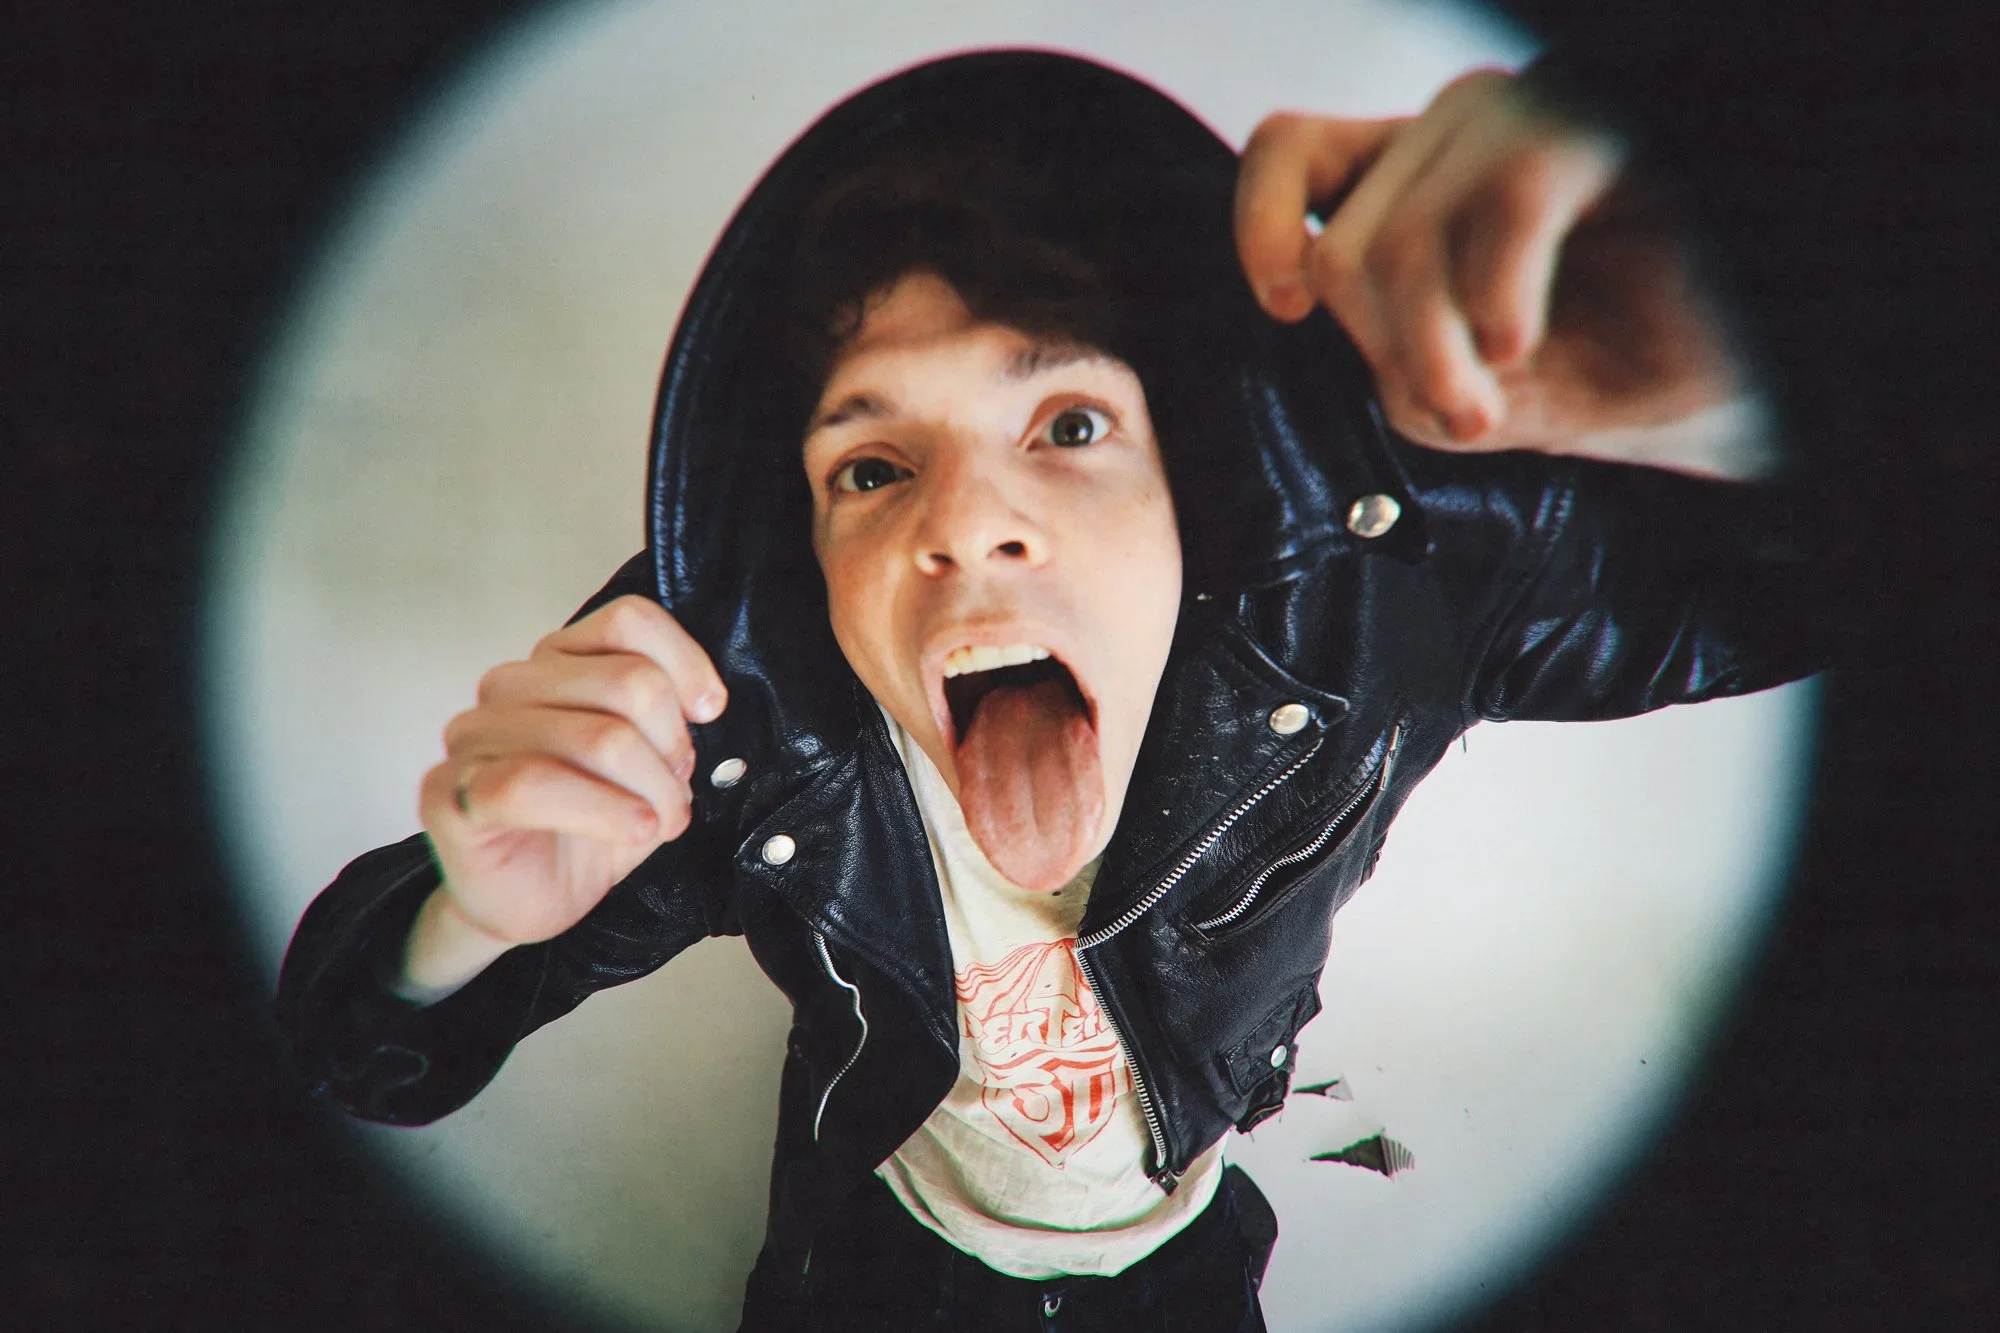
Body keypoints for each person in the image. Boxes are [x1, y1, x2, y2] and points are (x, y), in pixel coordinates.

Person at [275, 50, 1823, 1331]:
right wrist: (471, 919)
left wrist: (1730, 361)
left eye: (1070, 427)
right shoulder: (742, 728)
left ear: (1192, 487)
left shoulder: (1367, 617)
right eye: (872, 467)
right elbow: (354, 1054)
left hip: (1182, 1250)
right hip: (860, 1251)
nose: (963, 527)